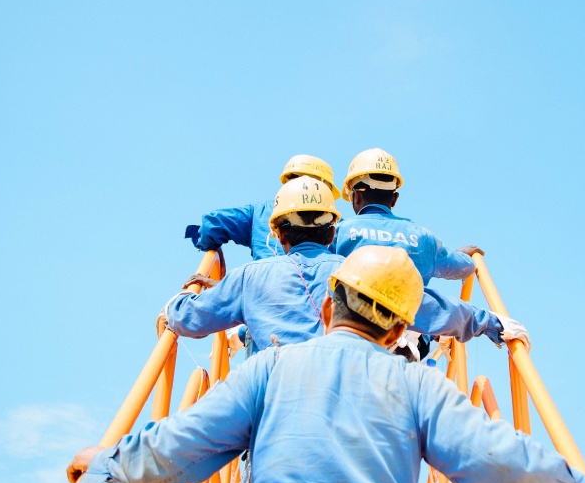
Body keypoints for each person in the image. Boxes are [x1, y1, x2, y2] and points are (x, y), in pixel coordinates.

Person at [68, 246, 585, 483]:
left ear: (329, 308)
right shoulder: (420, 384)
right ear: (398, 330)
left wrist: (101, 466)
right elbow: (492, 457)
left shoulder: (268, 369)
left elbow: (182, 446)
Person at [159, 177, 529, 357]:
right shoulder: (360, 272)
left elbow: (190, 319)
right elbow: (430, 306)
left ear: (278, 232)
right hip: (350, 412)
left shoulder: (249, 278)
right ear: (332, 227)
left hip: (273, 419)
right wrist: (491, 322)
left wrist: (179, 301)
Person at [333, 147, 479, 285]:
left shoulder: (339, 233)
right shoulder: (423, 237)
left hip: (352, 311)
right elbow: (462, 267)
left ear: (356, 196)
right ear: (394, 198)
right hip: (411, 311)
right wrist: (464, 257)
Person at [185, 154, 341, 260]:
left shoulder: (258, 213)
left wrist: (213, 249)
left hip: (261, 294)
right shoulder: (336, 224)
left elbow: (211, 226)